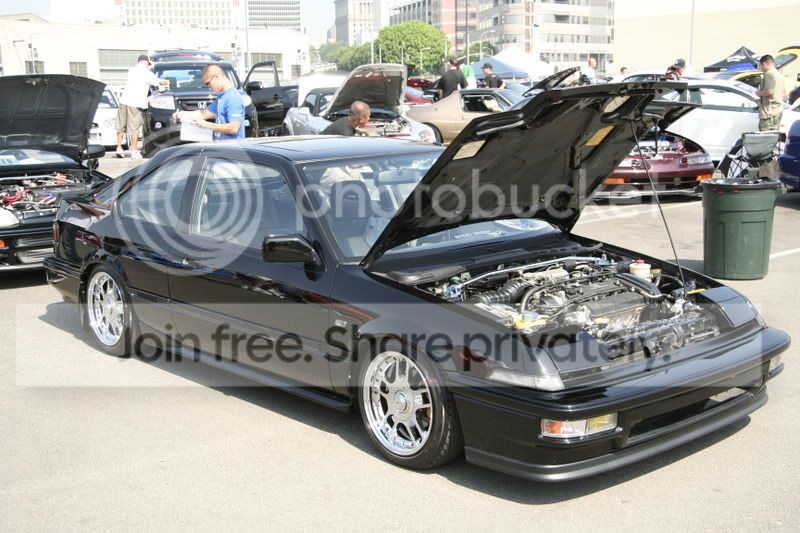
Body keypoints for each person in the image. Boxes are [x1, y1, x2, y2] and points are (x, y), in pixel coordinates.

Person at [115, 54, 170, 159]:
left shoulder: (131, 70)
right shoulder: (147, 73)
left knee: (121, 126)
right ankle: (133, 151)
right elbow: (159, 82)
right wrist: (168, 81)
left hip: (123, 101)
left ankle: (119, 148)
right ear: (146, 63)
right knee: (134, 129)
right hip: (136, 104)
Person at [174, 64, 246, 140]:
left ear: (217, 77)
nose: (208, 87)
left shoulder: (233, 97)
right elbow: (204, 114)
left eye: (208, 83)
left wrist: (207, 125)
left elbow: (234, 128)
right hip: (222, 145)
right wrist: (181, 114)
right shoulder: (222, 96)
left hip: (233, 146)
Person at [756, 54, 785, 131]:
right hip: (777, 110)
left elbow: (769, 92)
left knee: (765, 136)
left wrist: (758, 93)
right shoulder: (779, 74)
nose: (760, 68)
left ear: (764, 64)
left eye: (760, 66)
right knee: (773, 135)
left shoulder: (769, 74)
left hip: (769, 112)